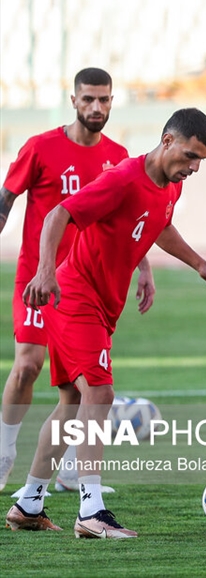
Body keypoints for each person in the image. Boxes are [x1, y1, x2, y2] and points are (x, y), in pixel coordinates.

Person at [4, 108, 206, 538]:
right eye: (189, 155)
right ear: (166, 141)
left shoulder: (169, 185)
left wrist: (199, 264)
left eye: (200, 160)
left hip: (103, 306)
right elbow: (58, 215)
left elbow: (159, 225)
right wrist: (46, 269)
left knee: (72, 403)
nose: (193, 167)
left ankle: (29, 502)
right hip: (75, 299)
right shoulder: (123, 178)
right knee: (100, 394)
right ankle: (91, 509)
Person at [0, 68, 155, 494]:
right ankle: (4, 451)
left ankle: (69, 471)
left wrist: (143, 268)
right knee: (29, 364)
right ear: (73, 101)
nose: (96, 107)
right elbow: (7, 198)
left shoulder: (120, 156)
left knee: (77, 385)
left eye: (104, 100)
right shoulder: (41, 148)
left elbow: (133, 219)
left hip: (86, 287)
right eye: (88, 99)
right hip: (39, 278)